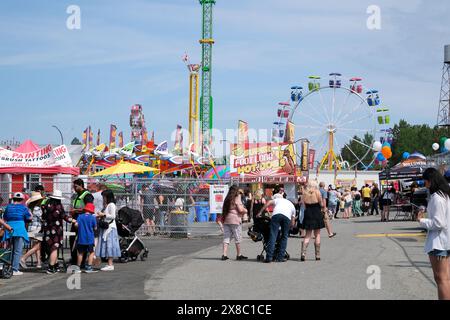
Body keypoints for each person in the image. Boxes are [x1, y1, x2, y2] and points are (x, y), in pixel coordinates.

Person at [417, 168, 450, 300]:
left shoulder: (437, 197)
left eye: (425, 181)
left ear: (430, 181)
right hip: (445, 240)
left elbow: (438, 223)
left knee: (441, 279)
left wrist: (422, 221)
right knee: (445, 278)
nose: (425, 184)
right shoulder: (445, 195)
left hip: (438, 242)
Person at [258, 193, 296, 263]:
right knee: (284, 237)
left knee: (273, 235)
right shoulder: (291, 205)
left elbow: (268, 202)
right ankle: (280, 257)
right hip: (287, 217)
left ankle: (269, 257)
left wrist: (260, 212)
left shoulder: (277, 200)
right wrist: (290, 227)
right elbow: (293, 223)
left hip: (276, 215)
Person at [3, 193, 32, 276]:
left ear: (13, 199)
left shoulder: (8, 207)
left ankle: (8, 267)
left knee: (9, 250)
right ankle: (15, 269)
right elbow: (28, 218)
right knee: (17, 250)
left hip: (9, 228)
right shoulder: (23, 207)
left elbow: (5, 218)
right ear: (22, 200)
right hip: (19, 229)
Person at [42, 190, 70, 274]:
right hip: (56, 229)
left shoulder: (46, 205)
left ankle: (56, 265)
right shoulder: (58, 206)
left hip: (47, 229)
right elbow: (64, 216)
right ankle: (51, 267)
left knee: (51, 247)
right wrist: (73, 220)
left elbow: (43, 216)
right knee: (54, 248)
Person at [96, 189, 121, 271]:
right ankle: (109, 264)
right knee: (107, 245)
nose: (103, 198)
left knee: (110, 245)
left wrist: (103, 214)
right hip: (107, 227)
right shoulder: (107, 205)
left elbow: (113, 216)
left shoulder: (111, 205)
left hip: (110, 228)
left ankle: (110, 264)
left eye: (104, 197)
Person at [221, 185, 248, 261]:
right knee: (237, 237)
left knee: (226, 237)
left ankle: (224, 254)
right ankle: (239, 255)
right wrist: (245, 210)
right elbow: (240, 209)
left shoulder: (227, 199)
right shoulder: (236, 198)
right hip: (235, 220)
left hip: (227, 219)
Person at [70, 179, 94, 264]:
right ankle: (74, 259)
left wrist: (76, 211)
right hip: (75, 220)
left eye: (76, 186)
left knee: (81, 242)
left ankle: (81, 262)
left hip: (82, 221)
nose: (74, 188)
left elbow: (89, 208)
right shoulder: (77, 195)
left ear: (81, 185)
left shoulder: (87, 195)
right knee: (72, 240)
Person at [300, 181, 325, 261]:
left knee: (307, 235)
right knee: (317, 234)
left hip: (308, 214)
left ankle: (303, 253)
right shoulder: (317, 192)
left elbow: (303, 205)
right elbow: (321, 204)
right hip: (317, 214)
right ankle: (317, 255)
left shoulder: (304, 193)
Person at [20, 192, 44, 269]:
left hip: (31, 228)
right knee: (37, 246)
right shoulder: (38, 209)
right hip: (37, 229)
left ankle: (39, 263)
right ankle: (23, 258)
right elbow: (42, 218)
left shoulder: (30, 208)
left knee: (36, 245)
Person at [73, 203, 98, 273]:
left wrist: (80, 227)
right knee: (91, 252)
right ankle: (89, 267)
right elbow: (95, 228)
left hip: (81, 238)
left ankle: (78, 267)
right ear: (91, 211)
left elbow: (76, 225)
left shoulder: (80, 216)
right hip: (90, 239)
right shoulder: (93, 218)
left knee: (80, 253)